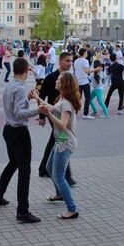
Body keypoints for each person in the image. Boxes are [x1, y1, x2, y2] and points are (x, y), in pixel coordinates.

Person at [0, 57, 42, 224]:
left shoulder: (11, 85)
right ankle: (23, 211)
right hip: (19, 132)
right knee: (24, 171)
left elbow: (14, 107)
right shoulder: (19, 88)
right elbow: (19, 112)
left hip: (8, 130)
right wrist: (37, 109)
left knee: (13, 163)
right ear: (26, 71)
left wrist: (28, 98)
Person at [34, 72, 81, 220]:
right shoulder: (62, 99)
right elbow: (52, 108)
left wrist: (48, 114)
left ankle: (72, 209)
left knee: (59, 176)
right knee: (49, 168)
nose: (56, 81)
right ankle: (60, 194)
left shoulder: (66, 103)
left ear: (64, 84)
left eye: (59, 80)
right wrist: (37, 98)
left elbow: (62, 124)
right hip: (60, 140)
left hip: (65, 142)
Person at [37, 52, 75, 184]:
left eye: (71, 61)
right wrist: (41, 116)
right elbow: (42, 96)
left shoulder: (70, 77)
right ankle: (67, 176)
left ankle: (44, 168)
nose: (70, 63)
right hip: (53, 113)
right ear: (60, 61)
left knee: (55, 140)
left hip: (65, 113)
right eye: (67, 61)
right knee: (62, 139)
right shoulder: (51, 77)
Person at [73, 48, 99, 119]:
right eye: (86, 52)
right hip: (84, 81)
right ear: (84, 53)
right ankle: (85, 114)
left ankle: (74, 112)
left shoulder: (76, 61)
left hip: (77, 81)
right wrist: (96, 70)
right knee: (88, 97)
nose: (87, 53)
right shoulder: (85, 61)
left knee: (78, 98)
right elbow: (87, 71)